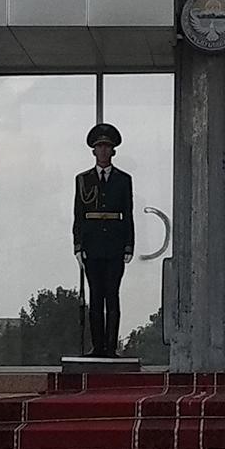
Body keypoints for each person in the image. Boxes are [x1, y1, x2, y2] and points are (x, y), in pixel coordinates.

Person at [72, 123, 134, 357]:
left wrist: (129, 244)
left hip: (115, 245)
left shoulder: (123, 180)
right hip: (93, 244)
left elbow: (128, 213)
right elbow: (78, 214)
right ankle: (97, 346)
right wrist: (78, 245)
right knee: (95, 296)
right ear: (93, 151)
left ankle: (111, 347)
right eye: (100, 147)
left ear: (113, 151)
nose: (104, 151)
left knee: (112, 296)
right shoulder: (83, 180)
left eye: (107, 147)